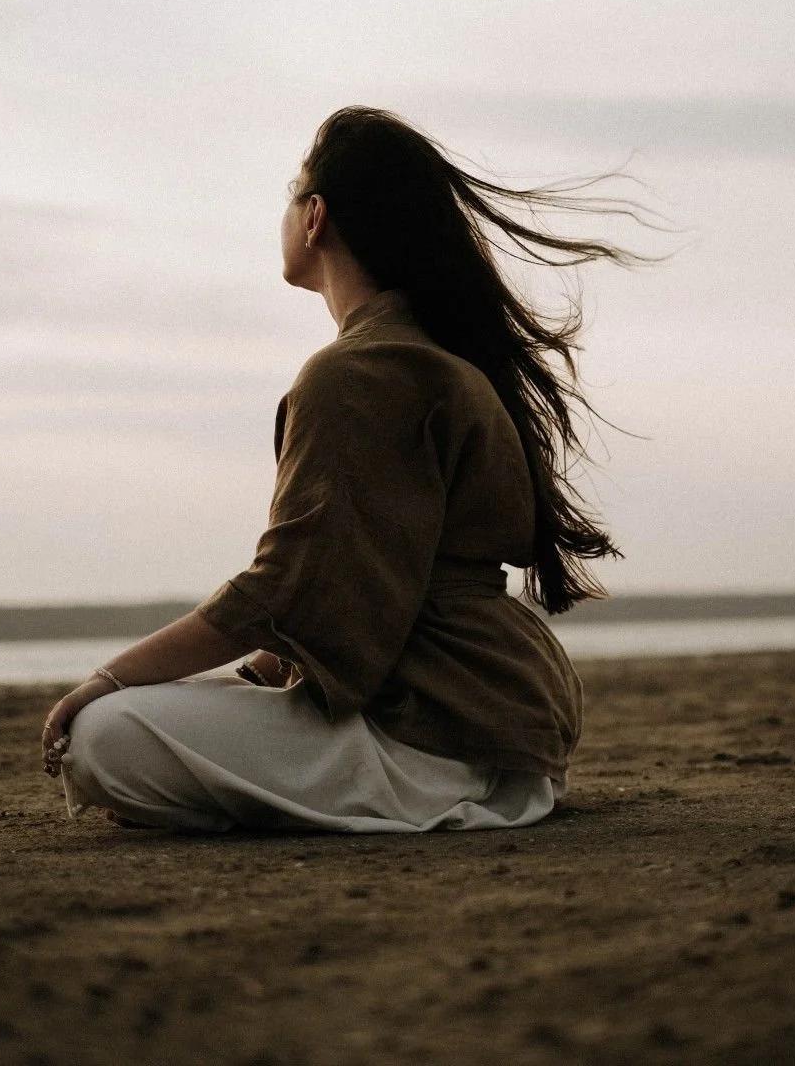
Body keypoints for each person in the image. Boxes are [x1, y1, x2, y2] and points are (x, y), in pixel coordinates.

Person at [41, 107, 638, 833]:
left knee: (102, 734)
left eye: (292, 194)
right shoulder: (432, 359)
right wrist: (261, 671)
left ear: (316, 215)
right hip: (505, 733)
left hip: (431, 741)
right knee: (174, 717)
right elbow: (357, 577)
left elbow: (282, 585)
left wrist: (108, 679)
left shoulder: (356, 372)